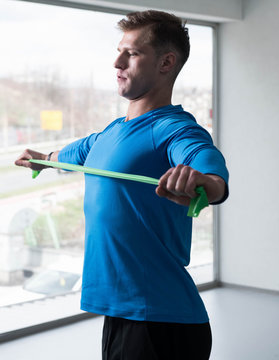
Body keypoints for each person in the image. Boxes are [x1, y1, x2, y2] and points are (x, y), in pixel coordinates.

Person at [15, 10, 229, 360]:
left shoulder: (174, 129)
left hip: (161, 320)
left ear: (166, 63)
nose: (117, 62)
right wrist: (43, 158)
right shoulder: (111, 133)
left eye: (132, 53)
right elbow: (75, 153)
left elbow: (206, 163)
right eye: (119, 51)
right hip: (123, 313)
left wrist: (205, 182)